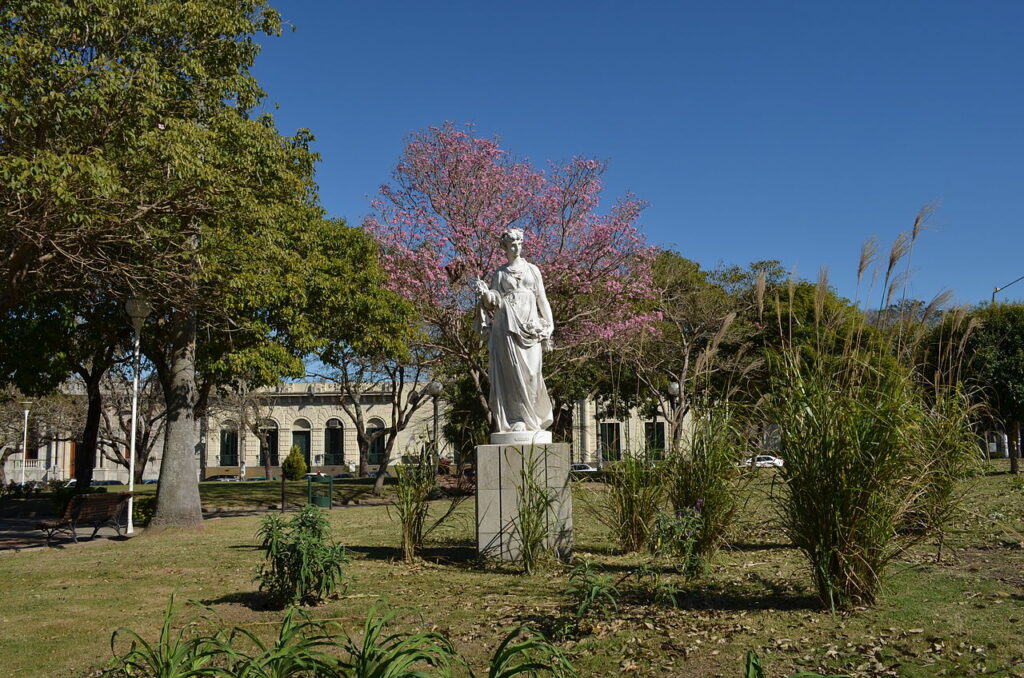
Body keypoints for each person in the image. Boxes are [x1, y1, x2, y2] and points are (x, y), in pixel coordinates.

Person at [474, 228, 554, 434]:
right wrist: (485, 294)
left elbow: (542, 299)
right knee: (512, 374)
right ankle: (517, 418)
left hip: (531, 328)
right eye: (512, 245)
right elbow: (493, 301)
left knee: (533, 372)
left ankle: (534, 417)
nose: (516, 248)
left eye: (519, 243)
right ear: (505, 248)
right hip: (506, 327)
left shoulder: (533, 270)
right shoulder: (500, 274)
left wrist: (550, 324)